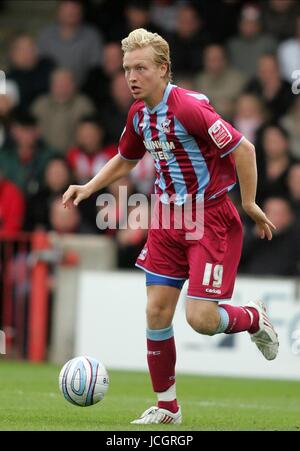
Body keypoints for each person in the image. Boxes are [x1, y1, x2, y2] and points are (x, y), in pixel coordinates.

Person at [62, 28, 279, 425]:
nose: (131, 76)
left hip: (209, 218)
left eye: (141, 68)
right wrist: (90, 187)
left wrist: (248, 203)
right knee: (157, 312)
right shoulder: (139, 113)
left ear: (163, 70)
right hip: (167, 219)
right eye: (127, 68)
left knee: (201, 320)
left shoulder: (189, 110)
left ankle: (251, 317)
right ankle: (167, 409)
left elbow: (243, 148)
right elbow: (126, 158)